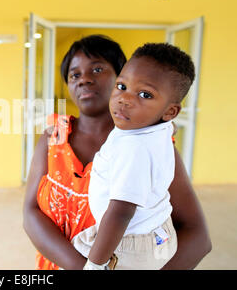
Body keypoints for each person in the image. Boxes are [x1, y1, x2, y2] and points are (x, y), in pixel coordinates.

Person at [23, 35, 212, 270]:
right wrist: (82, 267)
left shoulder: (149, 147)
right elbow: (30, 212)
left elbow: (198, 238)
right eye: (74, 75)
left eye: (98, 69)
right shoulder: (54, 136)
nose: (84, 80)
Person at [71, 42, 194, 270]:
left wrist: (95, 266)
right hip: (157, 230)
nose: (125, 99)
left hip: (129, 244)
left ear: (170, 111)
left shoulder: (133, 147)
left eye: (145, 94)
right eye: (122, 86)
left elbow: (120, 213)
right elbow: (169, 128)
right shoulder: (159, 128)